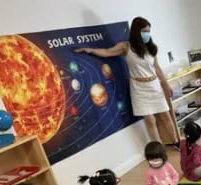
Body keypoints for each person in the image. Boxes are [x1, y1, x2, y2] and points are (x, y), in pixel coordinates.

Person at [75, 17, 179, 145]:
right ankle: (159, 149)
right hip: (139, 87)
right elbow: (107, 52)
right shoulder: (126, 46)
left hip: (154, 85)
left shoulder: (151, 48)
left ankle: (176, 142)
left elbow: (157, 68)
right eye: (144, 31)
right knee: (150, 120)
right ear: (136, 31)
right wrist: (90, 50)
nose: (147, 34)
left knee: (165, 116)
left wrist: (166, 84)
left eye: (148, 31)